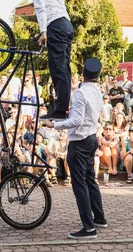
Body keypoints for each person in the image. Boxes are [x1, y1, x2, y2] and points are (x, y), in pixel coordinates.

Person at [42, 58, 106, 239]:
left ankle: (89, 228)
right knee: (90, 180)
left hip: (80, 141)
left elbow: (77, 121)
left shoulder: (80, 93)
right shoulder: (97, 91)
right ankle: (99, 218)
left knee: (80, 185)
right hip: (91, 138)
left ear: (83, 74)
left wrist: (53, 125)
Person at [31, 0, 74, 120]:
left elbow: (40, 7)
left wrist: (43, 31)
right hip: (66, 23)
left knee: (58, 68)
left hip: (54, 24)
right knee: (65, 66)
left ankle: (61, 110)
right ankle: (64, 106)